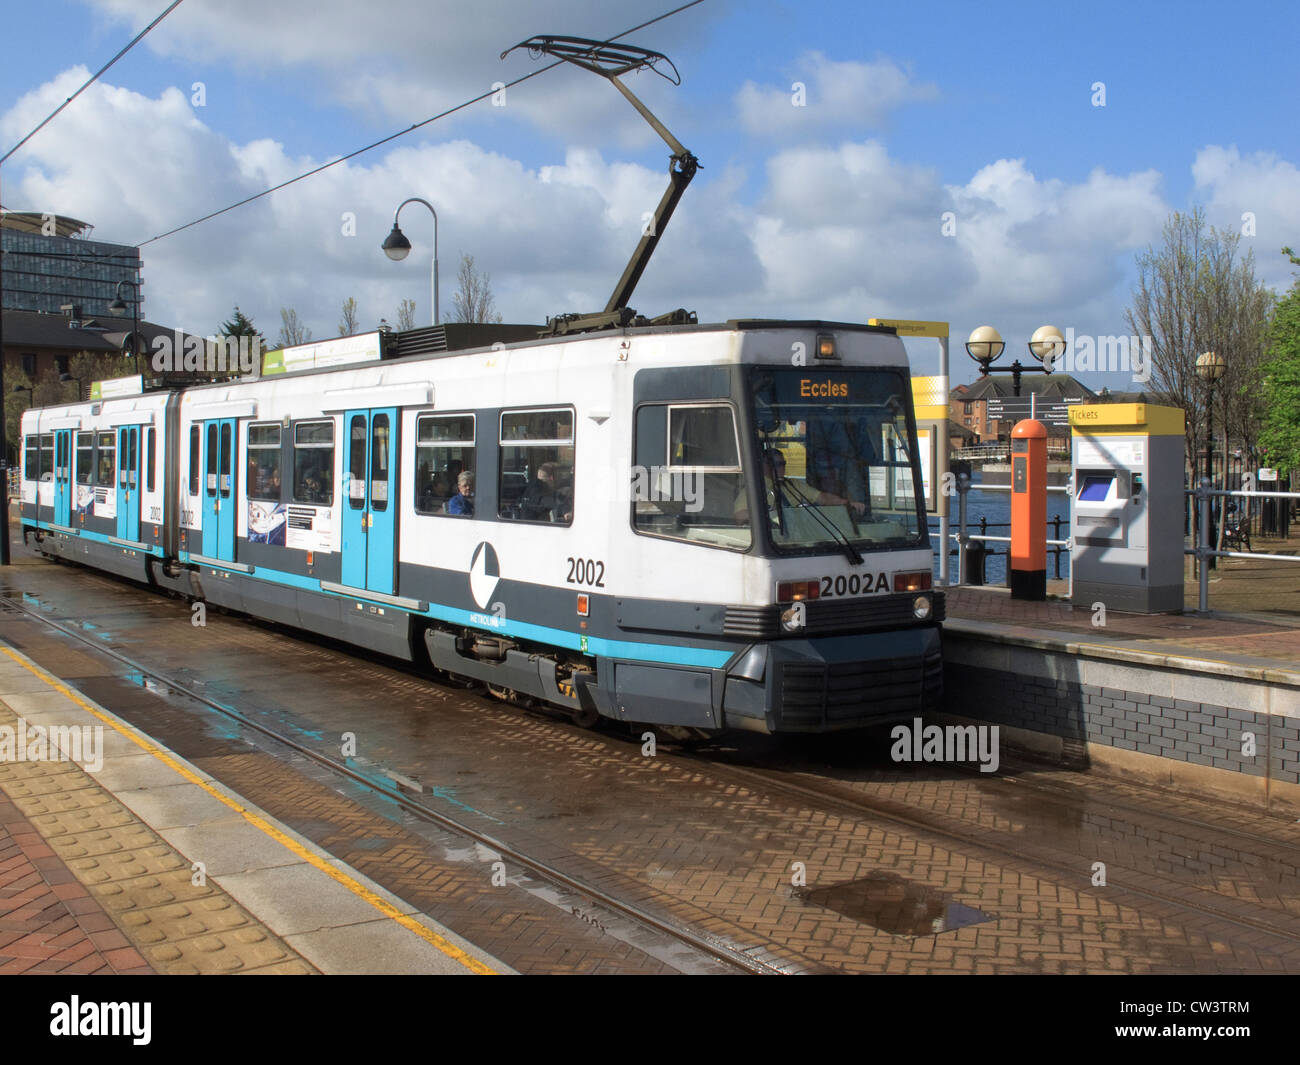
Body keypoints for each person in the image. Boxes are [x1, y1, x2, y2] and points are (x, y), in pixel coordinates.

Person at [735, 448, 867, 525]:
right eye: (778, 464)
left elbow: (822, 498)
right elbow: (739, 516)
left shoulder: (793, 484)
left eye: (783, 463)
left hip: (798, 534)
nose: (782, 467)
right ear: (764, 465)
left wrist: (847, 503)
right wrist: (770, 514)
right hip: (774, 537)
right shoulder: (753, 489)